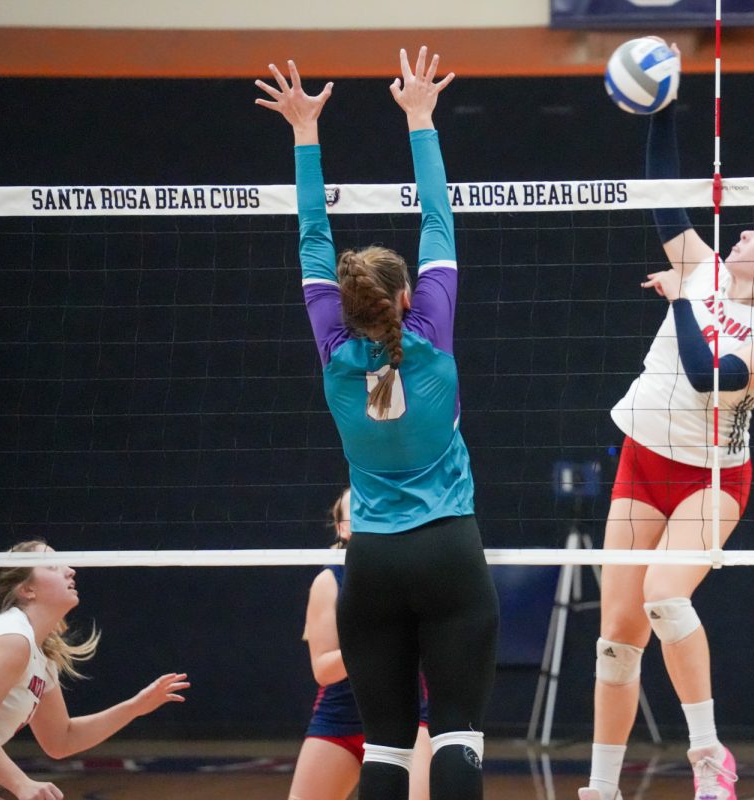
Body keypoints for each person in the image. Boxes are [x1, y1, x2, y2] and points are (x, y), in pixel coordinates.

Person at [579, 40, 754, 800]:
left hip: (710, 479)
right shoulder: (701, 267)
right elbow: (663, 190)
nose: (741, 233)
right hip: (642, 460)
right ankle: (601, 789)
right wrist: (662, 106)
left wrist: (677, 299)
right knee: (614, 645)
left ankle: (709, 759)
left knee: (669, 596)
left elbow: (705, 379)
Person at [255, 49, 499, 800]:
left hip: (373, 563)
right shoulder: (429, 335)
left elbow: (311, 235)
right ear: (402, 300)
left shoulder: (333, 352)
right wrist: (420, 118)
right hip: (450, 549)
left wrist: (304, 135)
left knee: (388, 747)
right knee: (454, 730)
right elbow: (437, 216)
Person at [0, 540, 189, 800]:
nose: (70, 570)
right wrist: (20, 784)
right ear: (27, 589)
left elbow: (62, 739)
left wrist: (135, 707)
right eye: (52, 566)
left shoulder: (40, 656)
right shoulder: (12, 638)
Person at [289, 488, 432, 800]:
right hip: (340, 719)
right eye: (359, 513)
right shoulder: (329, 583)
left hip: (404, 718)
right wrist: (369, 644)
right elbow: (324, 671)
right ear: (343, 529)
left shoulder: (413, 576)